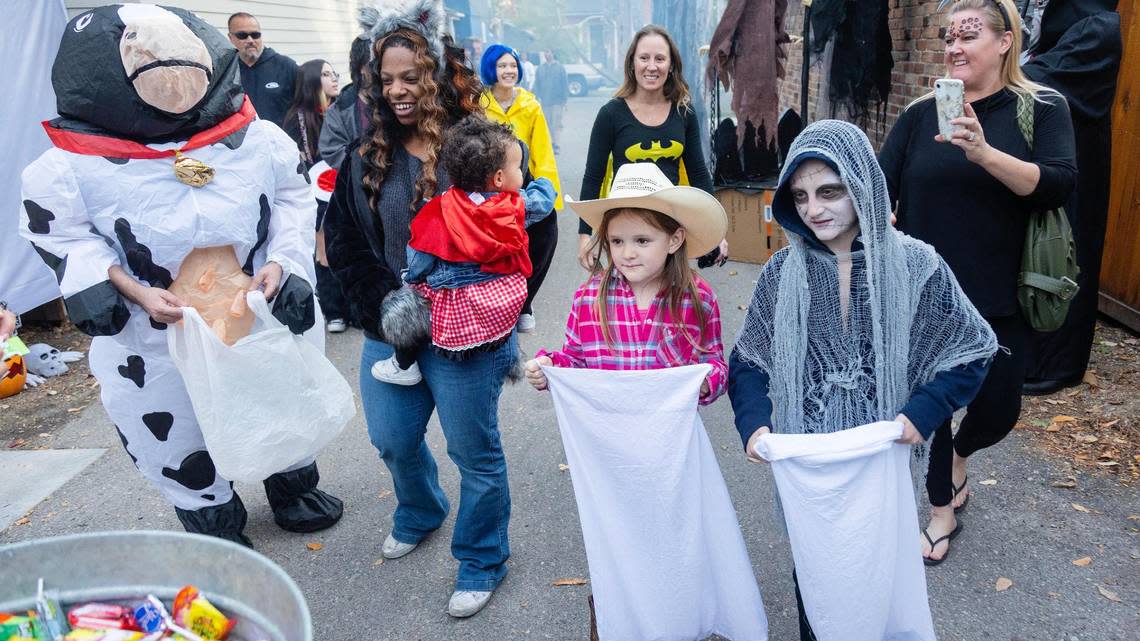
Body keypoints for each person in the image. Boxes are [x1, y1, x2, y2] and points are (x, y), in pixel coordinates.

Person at [21, 5, 342, 547]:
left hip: (254, 308)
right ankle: (211, 515)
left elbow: (291, 196)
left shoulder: (256, 139)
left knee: (278, 393)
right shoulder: (71, 168)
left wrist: (283, 261)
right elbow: (62, 233)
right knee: (171, 422)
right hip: (156, 331)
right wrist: (119, 286)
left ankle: (292, 483)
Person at [730, 120, 998, 639]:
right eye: (801, 195)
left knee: (879, 577)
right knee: (815, 579)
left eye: (830, 191)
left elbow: (971, 349)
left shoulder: (917, 264)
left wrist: (923, 413)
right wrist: (754, 426)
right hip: (809, 461)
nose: (815, 208)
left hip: (883, 460)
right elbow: (748, 362)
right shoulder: (782, 272)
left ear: (863, 186)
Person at [324, 1, 514, 618]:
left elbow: (528, 229)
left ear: (434, 72)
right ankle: (421, 508)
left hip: (467, 334)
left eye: (410, 76)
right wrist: (388, 307)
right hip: (393, 326)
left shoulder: (482, 146)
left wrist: (498, 304)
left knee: (474, 453)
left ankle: (482, 558)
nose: (399, 90)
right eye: (387, 79)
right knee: (392, 439)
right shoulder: (362, 157)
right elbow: (347, 243)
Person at [525, 162, 763, 640]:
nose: (627, 253)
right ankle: (623, 614)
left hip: (673, 448)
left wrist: (700, 384)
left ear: (674, 240)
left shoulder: (695, 298)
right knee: (620, 535)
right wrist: (549, 369)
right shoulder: (591, 298)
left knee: (677, 533)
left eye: (641, 241)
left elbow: (715, 365)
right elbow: (576, 359)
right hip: (612, 452)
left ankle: (681, 612)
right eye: (617, 242)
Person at [878, 0, 1077, 564]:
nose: (954, 47)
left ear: (1005, 41)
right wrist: (880, 214)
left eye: (968, 35)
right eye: (948, 37)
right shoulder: (921, 115)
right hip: (926, 296)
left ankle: (963, 455)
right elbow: (877, 182)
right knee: (935, 404)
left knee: (998, 410)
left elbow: (1058, 183)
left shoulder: (1041, 108)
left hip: (1001, 292)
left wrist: (984, 152)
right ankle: (940, 509)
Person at [371, 116, 555, 384]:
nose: (522, 173)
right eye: (519, 167)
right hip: (505, 294)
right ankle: (521, 317)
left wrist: (411, 278)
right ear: (500, 178)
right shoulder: (514, 205)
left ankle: (403, 363)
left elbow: (421, 255)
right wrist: (543, 183)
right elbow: (545, 200)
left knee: (409, 297)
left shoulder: (439, 209)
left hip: (458, 302)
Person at [577, 25, 726, 271]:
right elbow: (594, 177)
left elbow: (699, 173)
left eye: (660, 59)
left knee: (670, 299)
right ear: (632, 64)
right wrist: (585, 235)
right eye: (644, 58)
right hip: (625, 227)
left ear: (671, 66)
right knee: (627, 303)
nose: (652, 66)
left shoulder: (683, 113)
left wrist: (716, 232)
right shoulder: (611, 114)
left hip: (668, 225)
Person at [479, 43, 562, 334]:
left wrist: (549, 193)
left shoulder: (530, 106)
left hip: (521, 181)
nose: (508, 71)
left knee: (545, 232)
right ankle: (493, 303)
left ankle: (524, 301)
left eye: (512, 65)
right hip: (486, 185)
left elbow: (543, 152)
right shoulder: (478, 105)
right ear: (491, 69)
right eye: (502, 66)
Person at [283, 59, 350, 333]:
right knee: (323, 250)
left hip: (345, 189)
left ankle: (354, 307)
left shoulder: (343, 111)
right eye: (325, 74)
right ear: (311, 80)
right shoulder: (295, 121)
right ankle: (334, 310)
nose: (333, 78)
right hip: (315, 195)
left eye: (334, 73)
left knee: (349, 247)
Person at [228, 12, 297, 127]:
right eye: (242, 35)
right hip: (246, 143)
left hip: (282, 142)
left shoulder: (286, 66)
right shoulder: (228, 70)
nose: (250, 40)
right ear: (231, 38)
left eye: (255, 35)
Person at [319, 36, 373, 170]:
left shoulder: (397, 98)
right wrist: (372, 162)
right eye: (375, 63)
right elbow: (332, 151)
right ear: (361, 67)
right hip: (363, 185)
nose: (382, 68)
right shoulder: (339, 111)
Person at [532, 50, 569, 153]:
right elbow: (537, 85)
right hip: (545, 101)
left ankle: (556, 144)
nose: (546, 54)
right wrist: (535, 98)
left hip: (557, 101)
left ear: (553, 53)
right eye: (545, 52)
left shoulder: (560, 67)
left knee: (556, 123)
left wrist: (565, 100)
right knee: (548, 123)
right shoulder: (540, 68)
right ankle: (552, 142)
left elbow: (565, 84)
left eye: (548, 52)